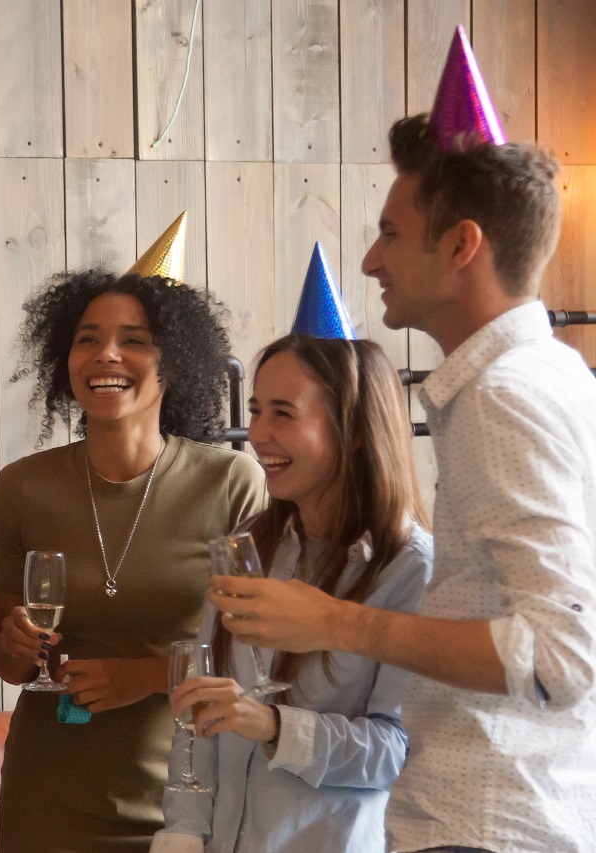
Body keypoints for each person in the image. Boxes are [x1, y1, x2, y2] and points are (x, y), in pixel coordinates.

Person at [210, 114, 596, 852]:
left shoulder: (504, 395)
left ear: (461, 245)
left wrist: (333, 622)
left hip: (487, 817)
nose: (369, 259)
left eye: (389, 231)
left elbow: (561, 656)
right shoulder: (554, 375)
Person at [0, 269, 267, 852]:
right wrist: (12, 645)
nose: (105, 354)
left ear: (176, 362)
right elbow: (12, 666)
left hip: (189, 795)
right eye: (87, 338)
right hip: (47, 802)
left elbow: (257, 661)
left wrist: (140, 677)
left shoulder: (232, 482)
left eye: (133, 340)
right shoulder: (20, 488)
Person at [155, 335, 433, 853]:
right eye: (256, 410)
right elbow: (199, 711)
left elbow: (397, 751)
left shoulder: (411, 569)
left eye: (283, 414)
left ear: (352, 429)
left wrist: (274, 726)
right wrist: (182, 832)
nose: (258, 434)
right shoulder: (249, 544)